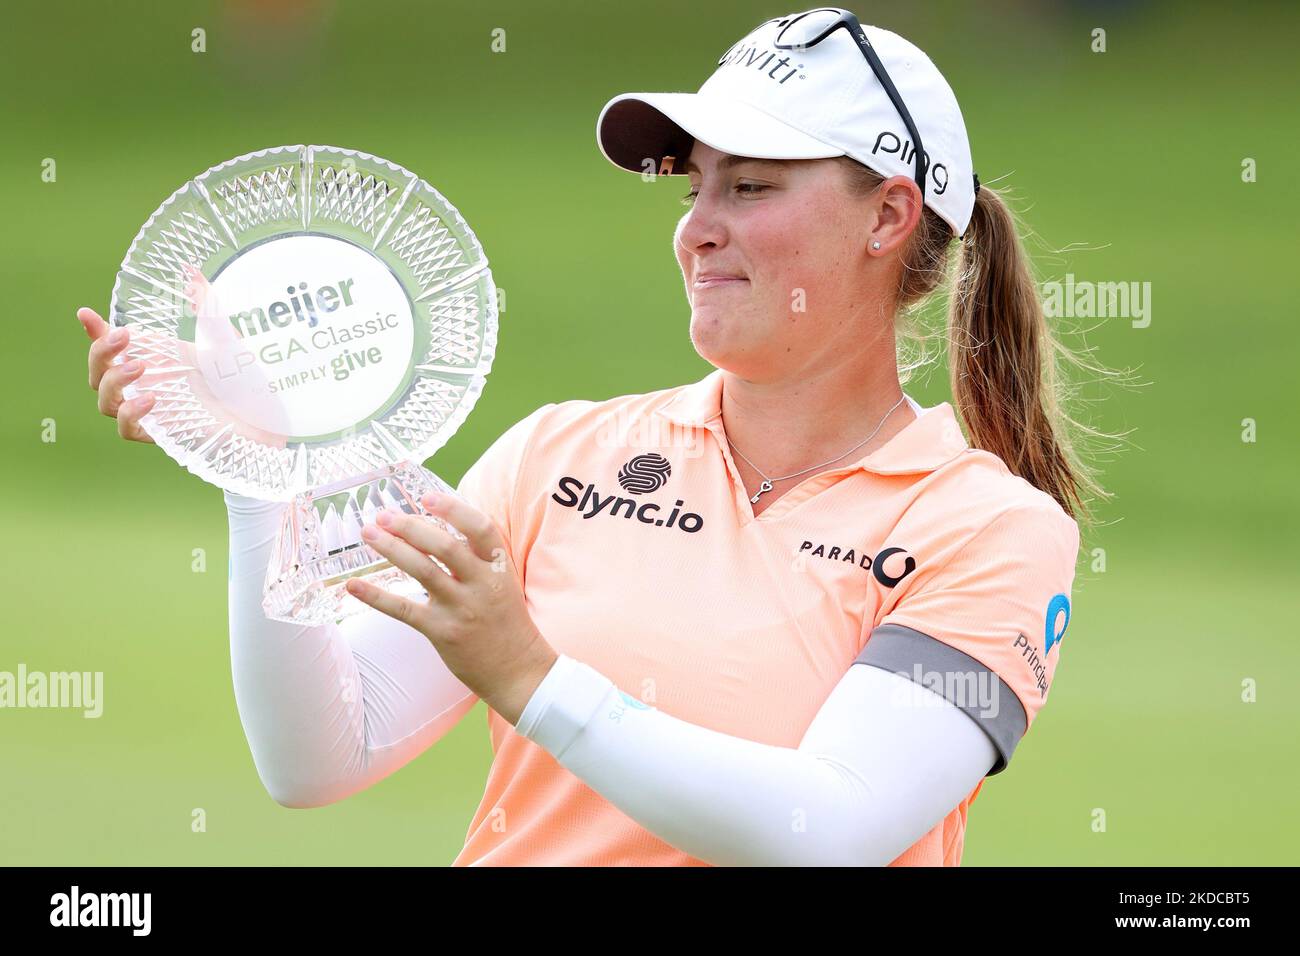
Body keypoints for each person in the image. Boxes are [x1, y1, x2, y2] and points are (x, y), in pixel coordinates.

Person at [79, 8, 1102, 866]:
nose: (697, 225)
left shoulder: (988, 526)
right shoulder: (559, 453)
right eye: (693, 183)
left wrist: (524, 671)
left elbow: (824, 827)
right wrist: (264, 469)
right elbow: (316, 755)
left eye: (748, 186)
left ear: (887, 216)